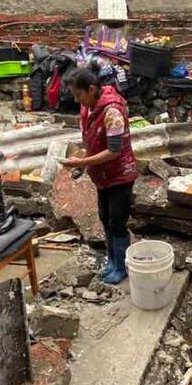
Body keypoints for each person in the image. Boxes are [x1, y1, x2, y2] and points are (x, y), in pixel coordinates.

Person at [61, 65, 139, 284]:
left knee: (117, 221)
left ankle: (121, 267)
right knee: (105, 218)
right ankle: (112, 261)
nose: (77, 101)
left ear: (92, 89)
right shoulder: (88, 110)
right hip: (102, 175)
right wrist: (82, 165)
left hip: (120, 174)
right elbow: (93, 143)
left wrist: (83, 161)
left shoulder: (112, 111)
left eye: (79, 95)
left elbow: (114, 151)